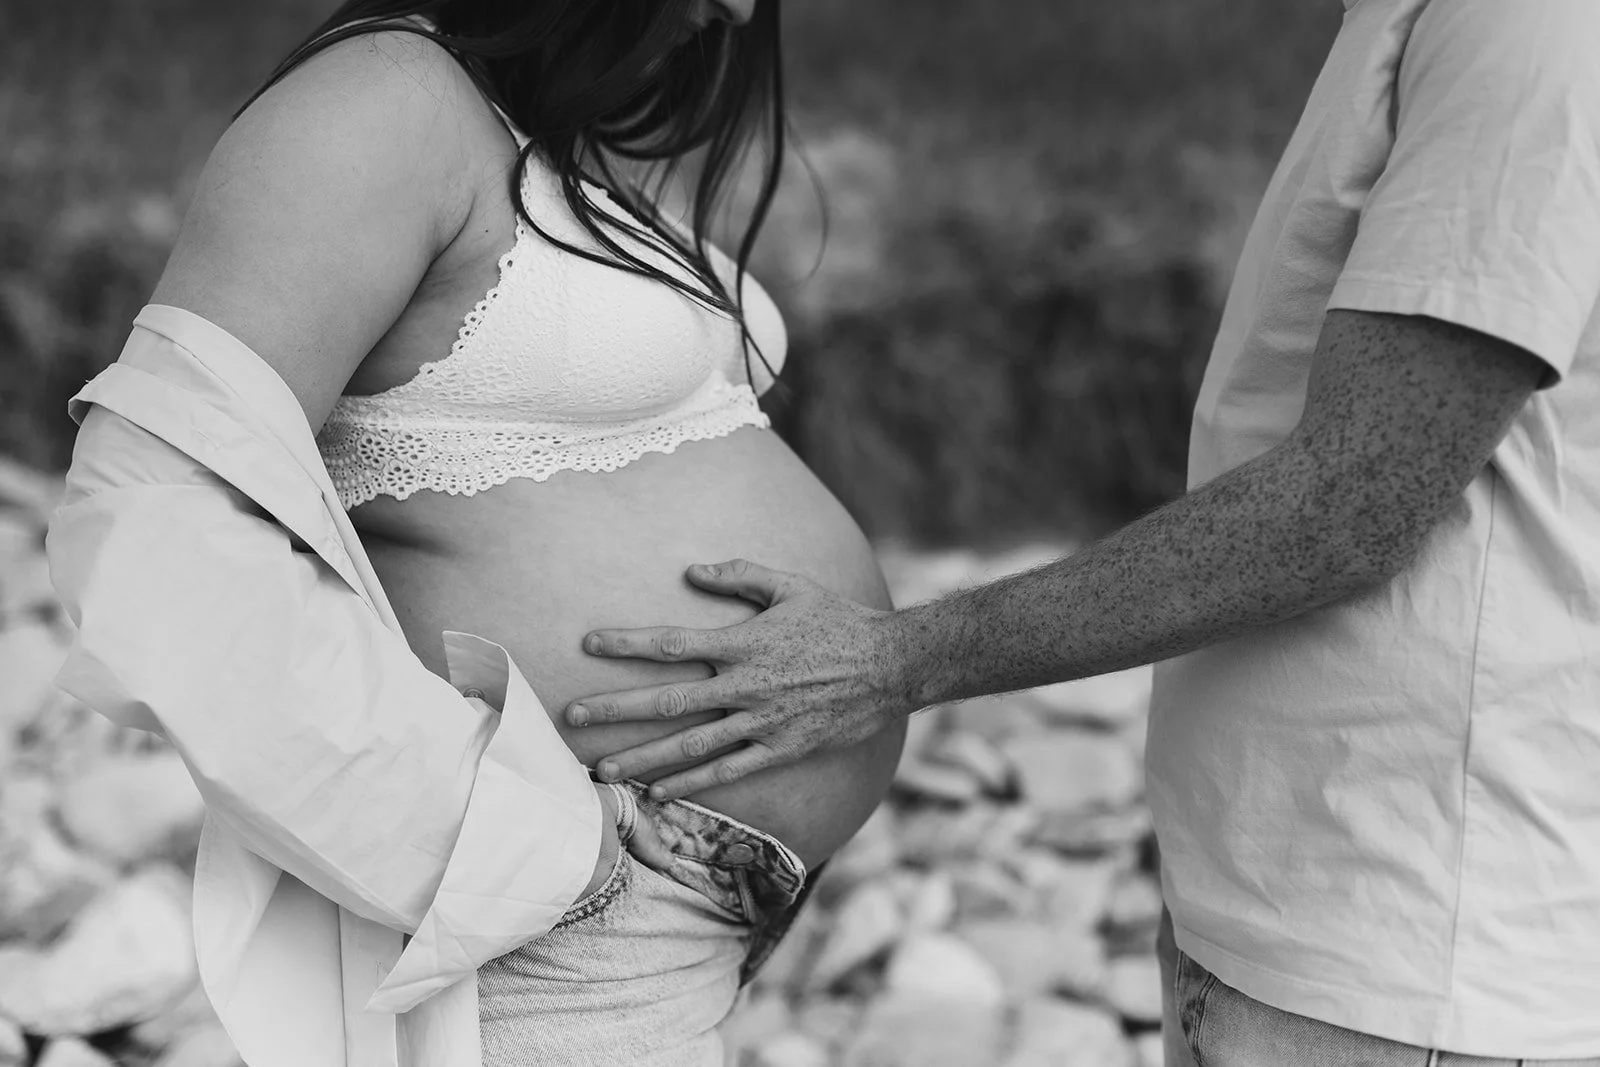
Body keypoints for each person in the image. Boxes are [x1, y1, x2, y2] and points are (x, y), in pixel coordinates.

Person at [567, 1, 1600, 1063]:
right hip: (1309, 924)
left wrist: (889, 659)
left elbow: (1349, 503)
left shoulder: (1526, 20)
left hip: (1409, 967)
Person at [45, 2, 905, 1065]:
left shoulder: (529, 138)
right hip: (559, 916)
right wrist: (504, 837)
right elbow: (152, 531)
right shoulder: (383, 103)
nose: (735, 7)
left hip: (676, 920)